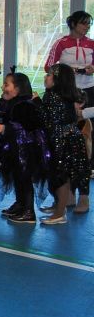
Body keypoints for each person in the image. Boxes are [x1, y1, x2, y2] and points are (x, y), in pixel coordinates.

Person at [0, 69, 46, 223]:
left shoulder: (25, 105)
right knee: (17, 177)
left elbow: (28, 126)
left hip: (25, 149)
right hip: (14, 147)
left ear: (18, 89)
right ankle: (21, 204)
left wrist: (4, 128)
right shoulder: (11, 104)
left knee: (24, 177)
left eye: (6, 85)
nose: (2, 87)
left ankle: (28, 211)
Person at [37, 64, 90, 223]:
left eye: (49, 75)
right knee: (63, 174)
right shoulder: (65, 95)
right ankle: (59, 205)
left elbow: (48, 121)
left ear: (57, 80)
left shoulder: (52, 96)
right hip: (71, 137)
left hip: (61, 139)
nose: (46, 77)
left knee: (61, 175)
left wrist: (35, 103)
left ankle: (60, 213)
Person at [45, 11, 94, 107]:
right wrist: (66, 71)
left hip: (89, 88)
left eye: (89, 23)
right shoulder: (60, 43)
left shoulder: (92, 43)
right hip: (66, 89)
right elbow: (48, 67)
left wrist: (92, 68)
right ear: (73, 24)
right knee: (68, 118)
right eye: (84, 23)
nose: (87, 26)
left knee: (90, 120)